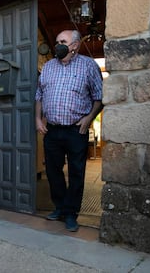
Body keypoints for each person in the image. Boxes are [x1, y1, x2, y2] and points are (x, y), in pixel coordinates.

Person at [35, 30, 103, 232]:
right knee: (53, 172)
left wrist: (89, 118)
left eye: (62, 42)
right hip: (52, 131)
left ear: (75, 46)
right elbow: (39, 94)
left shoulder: (88, 65)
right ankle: (60, 208)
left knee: (76, 172)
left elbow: (99, 96)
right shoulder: (47, 67)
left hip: (76, 130)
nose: (58, 46)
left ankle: (71, 213)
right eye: (56, 42)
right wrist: (38, 119)